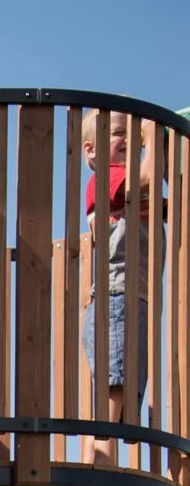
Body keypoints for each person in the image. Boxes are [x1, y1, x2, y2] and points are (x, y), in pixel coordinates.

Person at [80, 109, 165, 466]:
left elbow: (166, 199)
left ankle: (101, 461)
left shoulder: (134, 183)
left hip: (136, 298)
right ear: (91, 151)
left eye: (134, 133)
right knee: (114, 386)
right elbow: (146, 176)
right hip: (117, 297)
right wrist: (153, 135)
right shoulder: (107, 179)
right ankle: (99, 464)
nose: (129, 139)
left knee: (124, 386)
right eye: (118, 132)